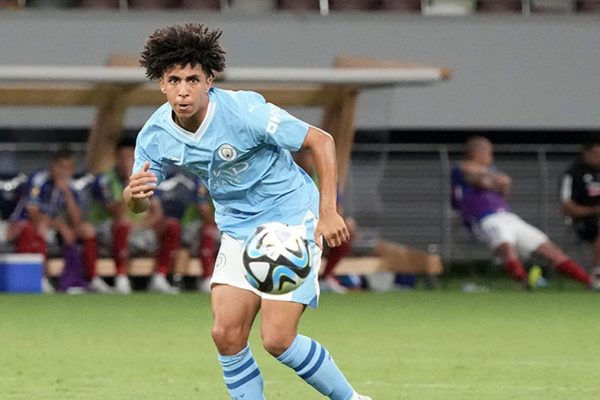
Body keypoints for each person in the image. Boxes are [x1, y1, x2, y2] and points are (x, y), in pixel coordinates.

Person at [124, 24, 371, 400]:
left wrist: (328, 211)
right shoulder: (155, 135)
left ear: (209, 81)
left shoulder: (244, 112)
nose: (183, 90)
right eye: (174, 80)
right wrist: (134, 195)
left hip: (289, 218)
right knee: (226, 335)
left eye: (193, 79)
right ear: (162, 84)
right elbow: (137, 203)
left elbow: (321, 141)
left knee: (278, 339)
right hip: (239, 228)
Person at [451, 136, 597, 290]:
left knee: (549, 250)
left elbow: (503, 186)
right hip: (484, 219)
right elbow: (480, 178)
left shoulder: (491, 171)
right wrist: (495, 179)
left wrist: (495, 180)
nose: (491, 157)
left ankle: (590, 282)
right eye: (489, 152)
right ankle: (524, 281)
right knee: (506, 247)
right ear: (478, 152)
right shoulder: (460, 169)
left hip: (507, 216)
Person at [10, 149, 111, 293]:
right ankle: (41, 278)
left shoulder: (72, 187)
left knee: (86, 230)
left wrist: (66, 192)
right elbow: (33, 214)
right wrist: (61, 226)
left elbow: (76, 220)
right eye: (61, 167)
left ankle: (92, 278)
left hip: (56, 230)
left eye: (68, 168)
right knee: (40, 227)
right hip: (26, 226)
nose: (64, 172)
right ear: (52, 166)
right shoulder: (38, 180)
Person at [89, 138, 180, 294]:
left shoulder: (146, 177)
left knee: (172, 225)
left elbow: (157, 212)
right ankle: (121, 278)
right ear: (115, 158)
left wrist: (142, 225)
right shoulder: (105, 180)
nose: (126, 162)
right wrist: (129, 183)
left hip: (140, 228)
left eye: (130, 157)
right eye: (122, 157)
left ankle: (160, 276)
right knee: (122, 225)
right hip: (109, 231)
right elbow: (117, 212)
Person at [156, 168, 219, 292]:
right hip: (192, 226)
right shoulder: (203, 178)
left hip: (214, 226)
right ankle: (205, 279)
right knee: (205, 234)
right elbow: (203, 209)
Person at [560, 140, 600, 283]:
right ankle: (597, 275)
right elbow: (567, 208)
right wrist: (595, 210)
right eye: (596, 154)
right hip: (583, 222)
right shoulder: (572, 174)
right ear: (585, 153)